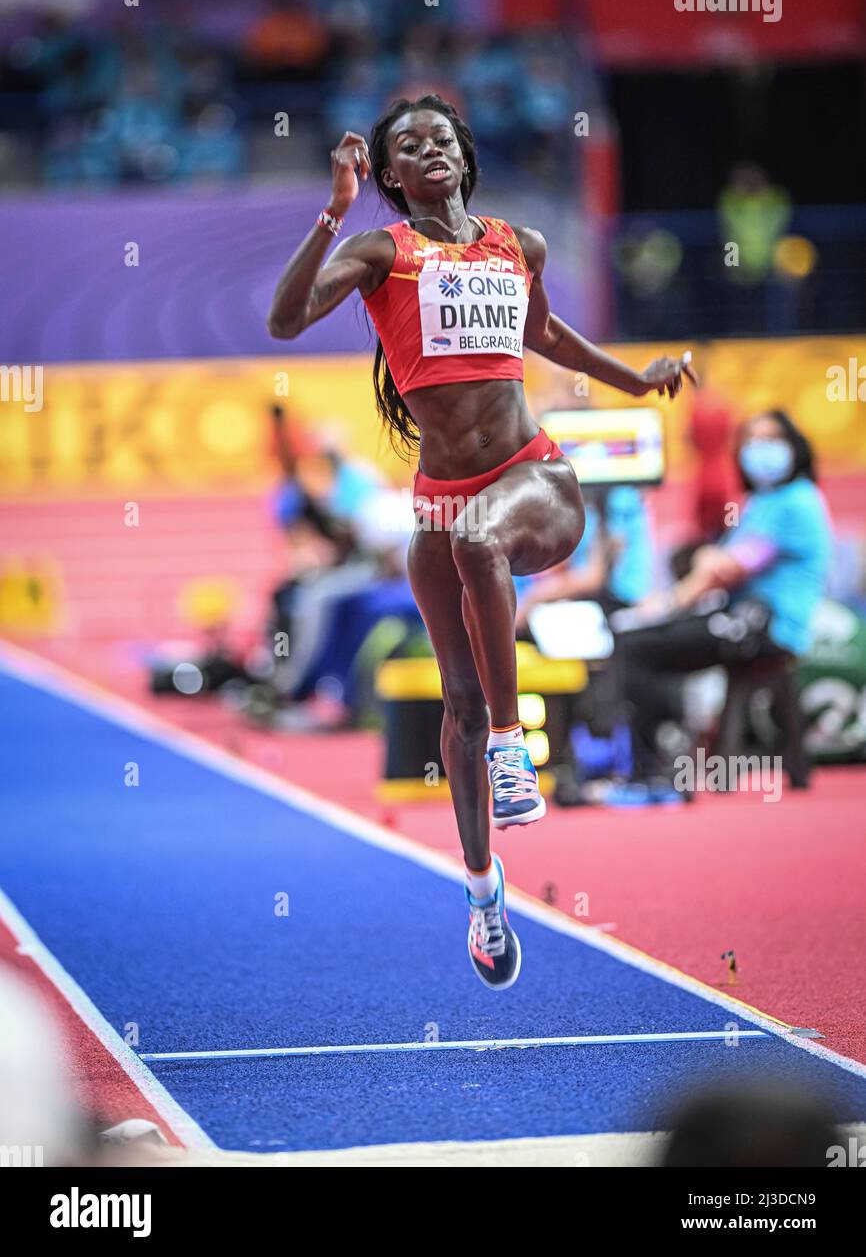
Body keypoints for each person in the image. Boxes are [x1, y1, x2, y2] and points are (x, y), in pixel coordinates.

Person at [267, 94, 693, 988]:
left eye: (443, 140)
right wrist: (333, 211)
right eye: (408, 147)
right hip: (441, 501)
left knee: (479, 544)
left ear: (463, 155)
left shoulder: (516, 244)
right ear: (388, 174)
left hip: (536, 480)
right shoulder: (382, 252)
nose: (431, 151)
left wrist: (637, 379)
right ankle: (481, 888)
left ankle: (511, 743)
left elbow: (549, 338)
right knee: (452, 694)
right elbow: (285, 319)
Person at [613, 409, 832, 791]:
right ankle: (661, 758)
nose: (759, 450)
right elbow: (714, 562)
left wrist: (665, 605)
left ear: (794, 447)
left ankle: (654, 768)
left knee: (635, 645)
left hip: (764, 629)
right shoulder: (762, 501)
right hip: (742, 619)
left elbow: (725, 569)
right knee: (646, 637)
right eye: (751, 441)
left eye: (771, 440)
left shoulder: (794, 501)